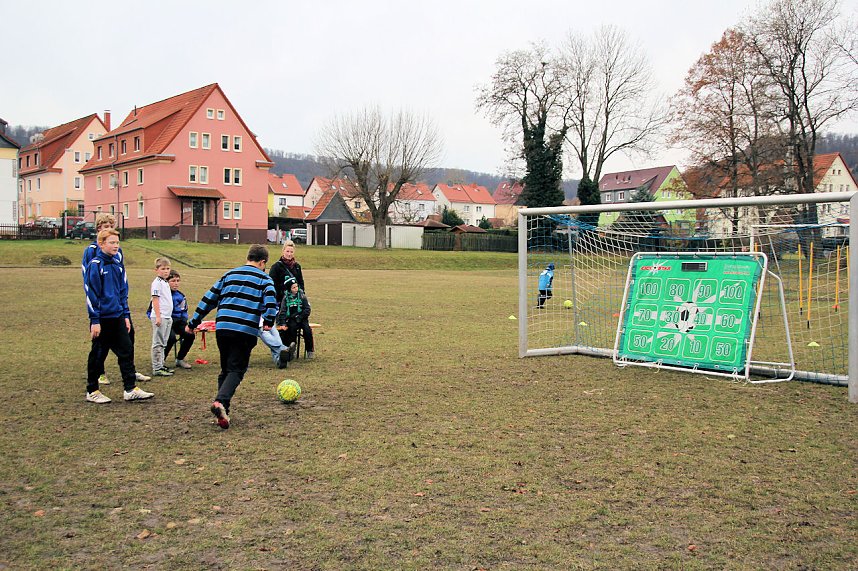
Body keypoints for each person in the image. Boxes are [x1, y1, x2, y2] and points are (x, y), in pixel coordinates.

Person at [186, 245, 278, 430]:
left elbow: (209, 298)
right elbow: (271, 300)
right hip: (244, 330)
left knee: (226, 369)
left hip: (223, 328)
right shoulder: (264, 278)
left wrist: (194, 322)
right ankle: (220, 402)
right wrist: (268, 320)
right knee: (237, 370)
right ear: (262, 262)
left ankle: (223, 411)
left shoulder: (229, 275)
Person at [84, 229, 154, 403]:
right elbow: (91, 293)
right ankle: (92, 390)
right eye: (111, 242)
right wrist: (95, 320)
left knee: (126, 349)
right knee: (98, 354)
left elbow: (123, 291)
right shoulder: (95, 264)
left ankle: (130, 388)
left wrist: (125, 315)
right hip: (102, 319)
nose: (115, 246)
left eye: (117, 242)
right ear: (101, 244)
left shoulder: (117, 264)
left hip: (118, 316)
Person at [276, 276, 315, 359]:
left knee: (307, 331)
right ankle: (292, 349)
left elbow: (307, 309)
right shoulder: (286, 298)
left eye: (296, 286)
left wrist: (300, 317)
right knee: (291, 330)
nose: (296, 288)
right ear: (289, 289)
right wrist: (282, 322)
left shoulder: (302, 296)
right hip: (291, 319)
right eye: (293, 287)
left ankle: (310, 350)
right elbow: (282, 311)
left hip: (302, 318)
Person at [163, 270, 195, 369]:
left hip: (178, 322)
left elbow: (184, 310)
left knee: (190, 335)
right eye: (173, 281)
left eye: (178, 280)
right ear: (166, 282)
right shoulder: (162, 295)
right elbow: (151, 310)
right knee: (171, 338)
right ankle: (160, 361)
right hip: (166, 321)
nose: (176, 283)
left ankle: (180, 359)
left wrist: (185, 323)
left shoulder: (181, 296)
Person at [149, 257, 174, 377]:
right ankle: (157, 367)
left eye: (168, 269)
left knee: (164, 342)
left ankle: (161, 364)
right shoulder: (157, 283)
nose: (166, 271)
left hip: (167, 316)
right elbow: (155, 299)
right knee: (158, 342)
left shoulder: (165, 282)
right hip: (161, 317)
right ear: (157, 270)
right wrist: (158, 317)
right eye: (163, 269)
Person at [269, 239, 305, 305]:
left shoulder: (297, 267)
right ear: (283, 251)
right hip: (281, 301)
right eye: (287, 251)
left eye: (291, 252)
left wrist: (300, 295)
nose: (289, 254)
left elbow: (300, 282)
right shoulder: (276, 267)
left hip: (295, 301)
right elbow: (272, 284)